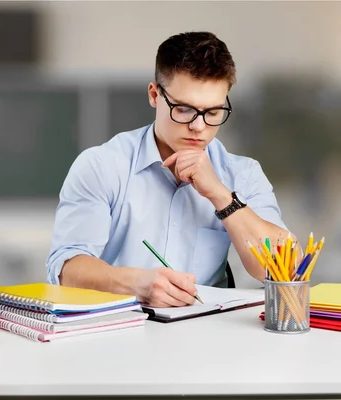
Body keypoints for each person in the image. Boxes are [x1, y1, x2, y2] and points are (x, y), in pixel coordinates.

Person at [46, 31, 296, 308]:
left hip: (209, 334)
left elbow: (280, 270)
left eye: (213, 113)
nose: (198, 127)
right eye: (184, 109)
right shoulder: (102, 166)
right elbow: (66, 269)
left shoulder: (243, 174)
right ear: (154, 95)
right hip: (117, 333)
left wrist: (221, 196)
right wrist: (136, 285)